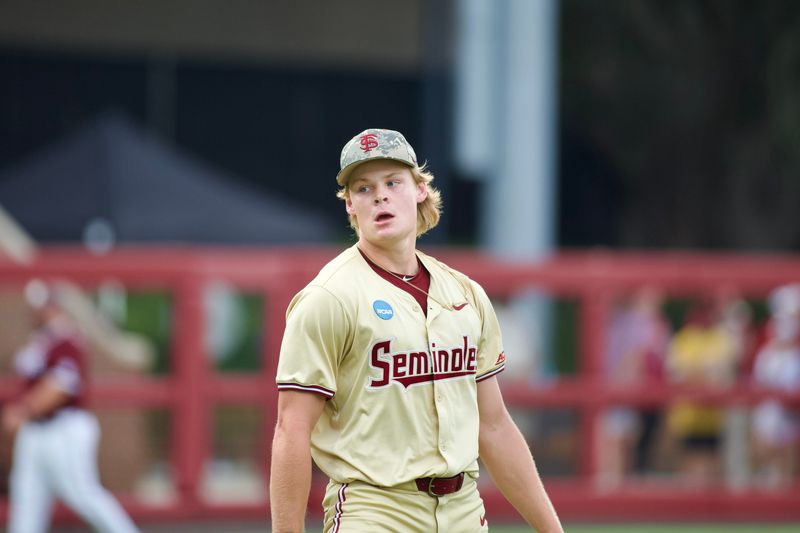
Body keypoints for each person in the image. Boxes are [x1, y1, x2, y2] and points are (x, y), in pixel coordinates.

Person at [269, 128, 563, 532]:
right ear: (350, 206)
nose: (380, 196)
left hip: (463, 509)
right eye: (363, 188)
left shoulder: (465, 293)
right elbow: (291, 429)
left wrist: (552, 529)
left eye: (393, 182)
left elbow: (493, 426)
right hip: (374, 509)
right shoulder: (329, 297)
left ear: (420, 189)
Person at [2, 279, 140, 533]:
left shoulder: (67, 338)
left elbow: (60, 386)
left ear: (55, 306)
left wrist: (24, 410)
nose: (35, 311)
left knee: (82, 493)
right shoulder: (41, 341)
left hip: (64, 428)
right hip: (36, 432)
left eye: (42, 305)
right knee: (27, 499)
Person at [750, 283, 800, 488]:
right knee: (765, 455)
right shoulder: (767, 354)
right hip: (771, 414)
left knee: (788, 463)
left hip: (793, 416)